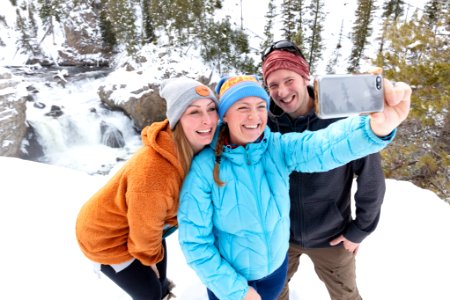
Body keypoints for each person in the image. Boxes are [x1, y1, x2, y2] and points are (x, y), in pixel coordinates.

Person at [177, 74, 411, 300]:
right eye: (242, 108)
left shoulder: (277, 148)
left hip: (275, 275)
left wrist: (373, 129)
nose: (254, 116)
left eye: (260, 106)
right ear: (224, 115)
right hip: (230, 287)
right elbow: (196, 243)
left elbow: (323, 146)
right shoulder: (204, 169)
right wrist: (238, 292)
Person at [261, 40, 387, 300]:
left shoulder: (340, 118)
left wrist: (359, 230)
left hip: (332, 237)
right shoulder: (264, 124)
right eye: (273, 85)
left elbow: (371, 178)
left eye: (288, 80)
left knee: (346, 296)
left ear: (305, 75)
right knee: (272, 294)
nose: (282, 91)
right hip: (280, 238)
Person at [75, 77, 219, 300]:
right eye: (194, 112)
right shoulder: (155, 173)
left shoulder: (193, 144)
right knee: (150, 292)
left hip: (145, 223)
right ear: (176, 119)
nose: (208, 120)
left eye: (212, 109)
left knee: (158, 278)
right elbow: (144, 232)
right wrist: (148, 261)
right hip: (105, 237)